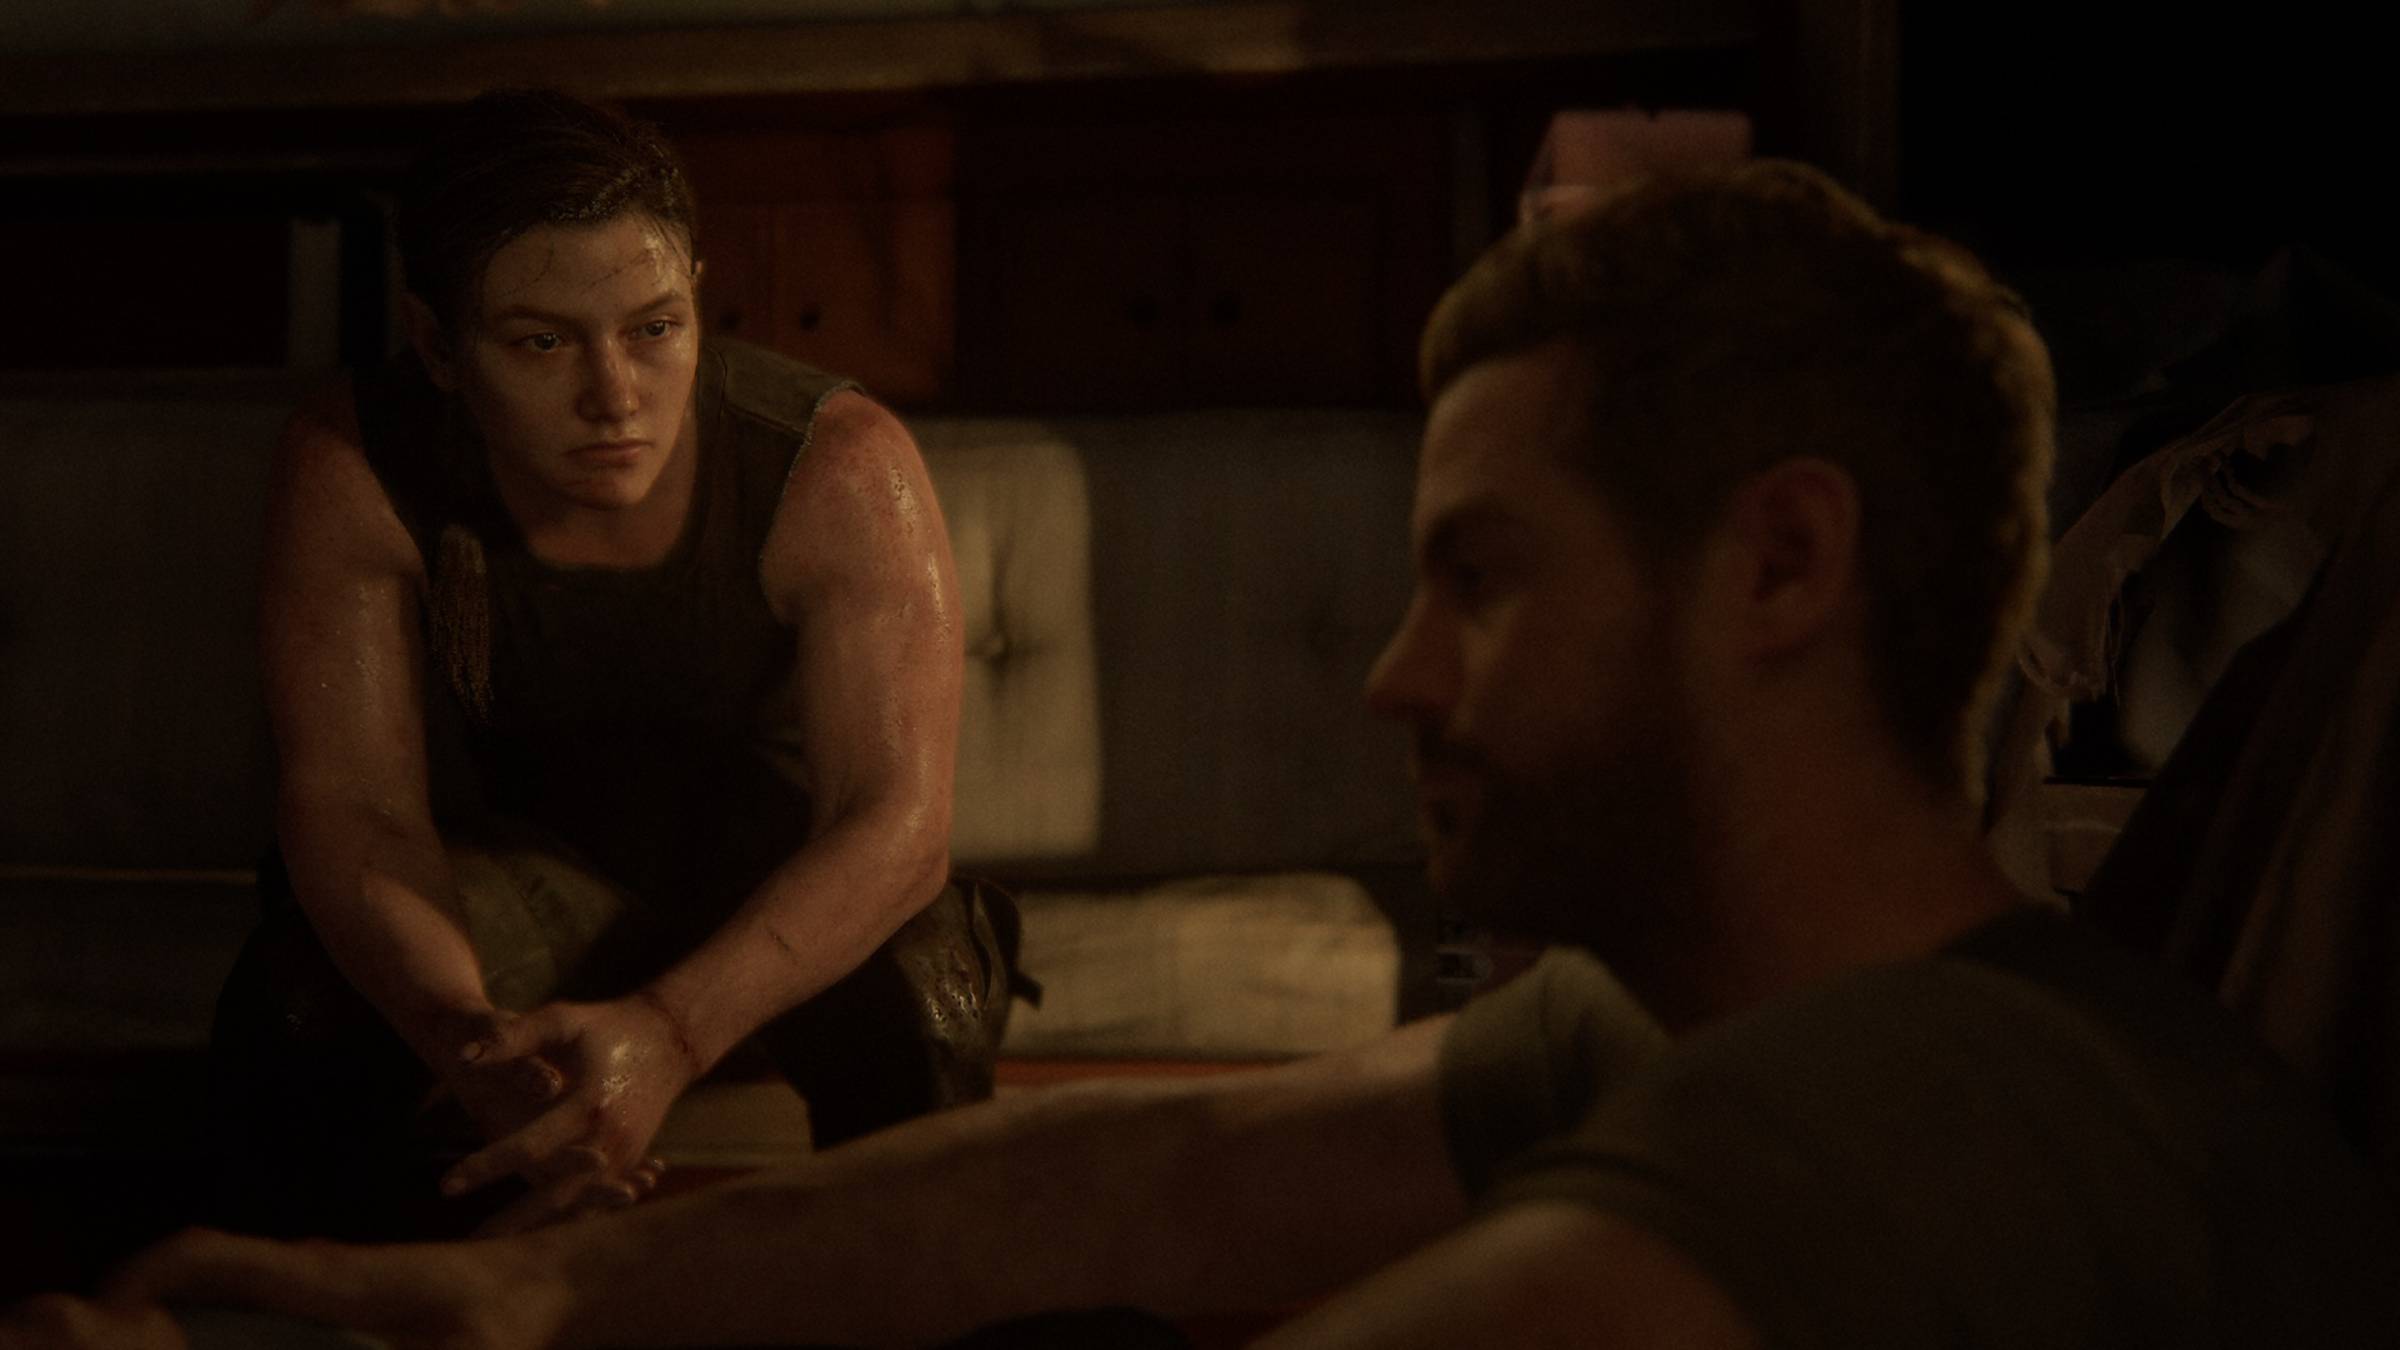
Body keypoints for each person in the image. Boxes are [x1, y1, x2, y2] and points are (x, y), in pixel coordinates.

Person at [9, 159, 2394, 1349]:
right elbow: (1137, 1182)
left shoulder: (1895, 1141)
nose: (1389, 675)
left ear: (1777, 568)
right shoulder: (1696, 1014)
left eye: (1479, 576)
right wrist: (521, 1304)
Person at [204, 88, 1016, 1241]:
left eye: (654, 328)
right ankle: (324, 1309)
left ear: (696, 296)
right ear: (437, 344)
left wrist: (672, 1034)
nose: (615, 396)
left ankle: (916, 1309)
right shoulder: (358, 461)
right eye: (542, 342)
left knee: (932, 996)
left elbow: (894, 822)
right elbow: (354, 807)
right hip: (523, 873)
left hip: (780, 889)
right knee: (298, 1003)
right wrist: (468, 1046)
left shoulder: (835, 465)